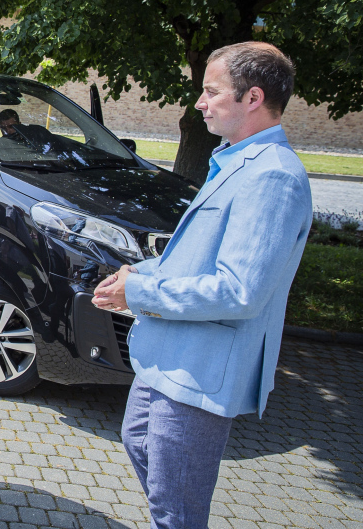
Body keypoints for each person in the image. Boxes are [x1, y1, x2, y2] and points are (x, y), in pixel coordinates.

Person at [92, 42, 312, 529]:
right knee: (140, 445)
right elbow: (195, 260)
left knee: (178, 509)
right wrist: (138, 275)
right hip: (169, 355)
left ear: (252, 98)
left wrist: (140, 294)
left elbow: (239, 292)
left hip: (200, 370)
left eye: (211, 92)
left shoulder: (272, 176)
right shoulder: (235, 162)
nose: (199, 102)